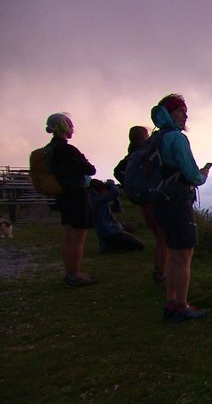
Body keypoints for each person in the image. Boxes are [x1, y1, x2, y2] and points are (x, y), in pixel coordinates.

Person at [151, 94, 210, 321]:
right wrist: (202, 174)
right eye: (181, 111)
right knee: (184, 255)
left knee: (173, 253)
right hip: (177, 201)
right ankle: (181, 305)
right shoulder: (176, 138)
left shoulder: (156, 138)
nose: (185, 115)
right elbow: (191, 174)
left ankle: (171, 303)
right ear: (169, 113)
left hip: (160, 202)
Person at [46, 113, 97, 287]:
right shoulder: (66, 149)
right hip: (76, 194)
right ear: (64, 126)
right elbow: (90, 170)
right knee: (77, 238)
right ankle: (74, 274)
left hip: (62, 195)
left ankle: (70, 272)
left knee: (68, 235)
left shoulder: (49, 149)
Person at [114, 126, 169, 284]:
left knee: (159, 237)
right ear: (144, 137)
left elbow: (117, 171)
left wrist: (128, 187)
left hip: (141, 201)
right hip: (154, 199)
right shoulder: (148, 153)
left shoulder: (130, 156)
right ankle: (161, 273)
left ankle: (160, 270)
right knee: (163, 238)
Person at [89, 178, 145, 253]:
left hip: (113, 231)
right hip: (110, 233)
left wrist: (114, 198)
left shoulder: (101, 201)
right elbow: (115, 193)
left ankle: (107, 245)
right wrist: (111, 184)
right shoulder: (96, 200)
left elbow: (117, 209)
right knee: (139, 246)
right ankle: (109, 246)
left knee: (130, 232)